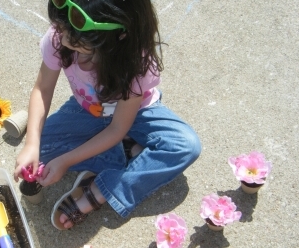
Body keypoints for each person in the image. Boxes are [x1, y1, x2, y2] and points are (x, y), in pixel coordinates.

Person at [14, 0, 201, 230]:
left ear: (118, 35)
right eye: (62, 30)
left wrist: (67, 160)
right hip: (87, 111)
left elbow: (117, 128)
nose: (62, 39)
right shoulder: (64, 29)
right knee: (41, 152)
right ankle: (125, 151)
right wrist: (32, 144)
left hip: (138, 113)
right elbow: (42, 89)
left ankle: (102, 188)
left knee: (185, 145)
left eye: (77, 40)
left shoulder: (135, 60)